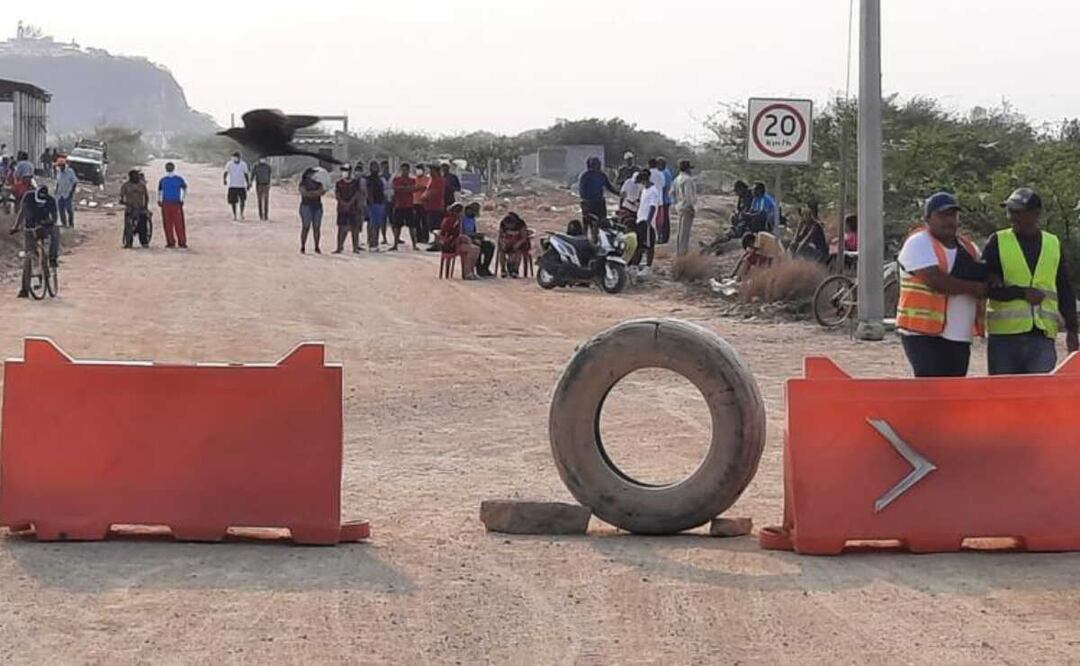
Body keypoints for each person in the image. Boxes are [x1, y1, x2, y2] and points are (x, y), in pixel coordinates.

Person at [983, 188, 1079, 375]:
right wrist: (1020, 293)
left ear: (1035, 214)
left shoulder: (1052, 243)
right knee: (1003, 398)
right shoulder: (997, 241)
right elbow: (984, 286)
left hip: (1042, 337)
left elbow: (1064, 288)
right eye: (1010, 211)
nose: (1011, 216)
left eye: (1018, 211)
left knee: (1039, 398)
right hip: (1005, 338)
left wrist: (1072, 329)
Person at [895, 192, 988, 378]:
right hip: (922, 333)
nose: (949, 220)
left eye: (953, 215)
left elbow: (983, 276)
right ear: (928, 218)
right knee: (930, 389)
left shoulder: (968, 247)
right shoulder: (919, 243)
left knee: (953, 393)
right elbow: (936, 281)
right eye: (943, 215)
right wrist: (974, 288)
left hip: (958, 334)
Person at [10, 185, 58, 297]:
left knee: (55, 232)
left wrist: (48, 223)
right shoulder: (28, 197)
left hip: (44, 226)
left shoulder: (51, 200)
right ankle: (24, 289)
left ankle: (52, 258)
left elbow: (54, 217)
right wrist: (15, 226)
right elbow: (22, 212)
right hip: (30, 228)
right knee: (28, 255)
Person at [631, 169, 661, 275]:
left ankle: (648, 267)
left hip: (647, 222)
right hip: (640, 220)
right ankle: (634, 266)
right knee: (639, 244)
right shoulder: (645, 190)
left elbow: (652, 207)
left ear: (644, 180)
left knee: (649, 245)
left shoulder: (653, 191)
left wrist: (649, 221)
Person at [439, 202, 480, 279]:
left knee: (476, 249)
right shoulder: (451, 220)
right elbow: (448, 235)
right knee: (471, 250)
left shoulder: (457, 220)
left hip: (456, 243)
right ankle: (467, 273)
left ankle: (470, 271)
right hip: (450, 245)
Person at [577, 156, 618, 231]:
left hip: (599, 203)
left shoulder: (602, 175)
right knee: (588, 223)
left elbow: (609, 187)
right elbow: (581, 190)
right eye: (595, 164)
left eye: (598, 164)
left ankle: (599, 238)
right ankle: (586, 238)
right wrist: (586, 202)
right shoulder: (585, 175)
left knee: (601, 223)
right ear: (591, 165)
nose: (597, 166)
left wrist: (619, 194)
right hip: (589, 203)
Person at [157, 162, 188, 248]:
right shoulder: (176, 179)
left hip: (169, 203)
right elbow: (185, 189)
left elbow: (159, 191)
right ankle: (179, 242)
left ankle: (173, 242)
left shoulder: (164, 180)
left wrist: (159, 200)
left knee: (170, 223)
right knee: (176, 223)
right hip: (172, 203)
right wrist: (182, 199)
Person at [334, 165, 363, 254]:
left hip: (353, 208)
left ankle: (355, 247)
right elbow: (337, 194)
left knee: (355, 229)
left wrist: (350, 203)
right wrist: (343, 203)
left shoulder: (355, 182)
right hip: (342, 209)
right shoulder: (338, 183)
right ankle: (339, 247)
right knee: (341, 228)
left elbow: (357, 193)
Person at [391, 162, 419, 250]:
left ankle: (414, 245)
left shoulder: (412, 180)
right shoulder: (396, 179)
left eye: (406, 170)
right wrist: (408, 189)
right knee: (397, 226)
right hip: (399, 205)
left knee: (412, 226)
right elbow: (396, 189)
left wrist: (403, 189)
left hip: (409, 205)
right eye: (403, 170)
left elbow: (414, 188)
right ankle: (395, 244)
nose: (405, 171)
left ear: (408, 170)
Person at [120, 169, 150, 249]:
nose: (136, 178)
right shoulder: (125, 186)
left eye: (137, 176)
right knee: (128, 225)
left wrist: (145, 207)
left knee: (143, 225)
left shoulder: (142, 185)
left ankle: (144, 242)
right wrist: (124, 202)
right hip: (130, 208)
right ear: (130, 177)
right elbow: (121, 198)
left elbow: (146, 197)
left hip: (140, 208)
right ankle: (128, 242)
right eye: (134, 176)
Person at [462, 202, 495, 277]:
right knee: (477, 246)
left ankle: (485, 267)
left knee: (491, 246)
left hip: (473, 237)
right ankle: (479, 269)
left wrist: (478, 236)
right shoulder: (462, 218)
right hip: (466, 239)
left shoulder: (472, 219)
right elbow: (463, 232)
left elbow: (474, 231)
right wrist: (474, 236)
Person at [673, 160, 698, 256]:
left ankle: (679, 253)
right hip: (686, 208)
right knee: (685, 234)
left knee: (680, 233)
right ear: (687, 169)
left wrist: (677, 204)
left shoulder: (677, 179)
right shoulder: (688, 180)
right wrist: (692, 208)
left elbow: (672, 193)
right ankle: (682, 255)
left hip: (679, 207)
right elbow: (689, 197)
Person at [298, 167, 325, 254]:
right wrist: (315, 193)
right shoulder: (303, 183)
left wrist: (312, 193)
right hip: (306, 206)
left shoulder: (318, 183)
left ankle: (316, 246)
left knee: (316, 228)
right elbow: (304, 193)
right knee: (306, 227)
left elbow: (321, 192)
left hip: (316, 206)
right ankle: (303, 246)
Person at [364, 160, 388, 252]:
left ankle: (375, 243)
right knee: (373, 224)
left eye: (376, 166)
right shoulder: (369, 179)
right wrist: (370, 202)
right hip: (373, 203)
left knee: (377, 224)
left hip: (380, 203)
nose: (376, 168)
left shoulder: (379, 178)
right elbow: (369, 191)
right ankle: (372, 244)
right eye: (374, 166)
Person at [497, 212, 530, 278]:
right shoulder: (503, 223)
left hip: (518, 242)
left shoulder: (521, 223)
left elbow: (524, 237)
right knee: (502, 252)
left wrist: (518, 243)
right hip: (507, 242)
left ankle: (515, 270)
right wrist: (502, 243)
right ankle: (503, 269)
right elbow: (500, 236)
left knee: (517, 253)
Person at [422, 163, 446, 250]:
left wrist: (425, 197)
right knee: (432, 225)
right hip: (430, 206)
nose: (430, 172)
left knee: (436, 226)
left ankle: (437, 243)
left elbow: (434, 192)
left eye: (432, 170)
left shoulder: (439, 180)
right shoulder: (431, 180)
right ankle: (436, 241)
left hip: (436, 206)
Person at [223, 152, 251, 220]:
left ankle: (241, 213)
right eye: (234, 157)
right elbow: (226, 172)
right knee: (233, 202)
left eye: (236, 157)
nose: (235, 159)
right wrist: (224, 179)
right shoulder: (229, 164)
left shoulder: (243, 164)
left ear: (239, 158)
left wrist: (248, 183)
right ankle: (234, 215)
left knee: (242, 200)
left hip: (241, 185)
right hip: (232, 185)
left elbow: (246, 174)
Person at [54, 158, 78, 228]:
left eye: (60, 166)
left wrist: (72, 192)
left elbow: (75, 182)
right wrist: (56, 190)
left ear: (63, 165)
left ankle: (71, 223)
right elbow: (58, 182)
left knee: (69, 209)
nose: (59, 167)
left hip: (68, 192)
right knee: (60, 208)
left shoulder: (70, 171)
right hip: (60, 193)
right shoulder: (59, 172)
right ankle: (64, 223)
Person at [656, 157, 674, 244]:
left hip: (664, 199)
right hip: (666, 199)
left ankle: (664, 237)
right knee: (664, 219)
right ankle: (664, 237)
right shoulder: (667, 172)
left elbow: (664, 187)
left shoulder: (664, 173)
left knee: (663, 220)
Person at [413, 164, 431, 243]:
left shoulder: (427, 179)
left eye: (420, 169)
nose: (418, 171)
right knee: (416, 221)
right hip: (415, 202)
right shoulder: (414, 179)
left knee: (425, 221)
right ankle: (418, 237)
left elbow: (425, 187)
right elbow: (412, 188)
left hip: (424, 203)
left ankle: (425, 237)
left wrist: (416, 188)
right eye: (417, 169)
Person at [380, 160, 394, 246]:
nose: (385, 169)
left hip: (392, 200)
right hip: (383, 201)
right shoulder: (380, 178)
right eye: (384, 167)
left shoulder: (392, 177)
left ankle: (396, 237)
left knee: (393, 220)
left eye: (387, 167)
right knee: (383, 220)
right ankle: (384, 238)